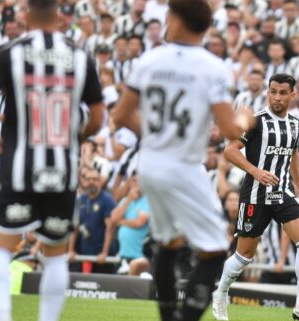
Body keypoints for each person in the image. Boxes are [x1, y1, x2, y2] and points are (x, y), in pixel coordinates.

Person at [110, 1, 249, 320]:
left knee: (168, 242)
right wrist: (244, 119)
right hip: (183, 166)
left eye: (169, 16)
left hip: (149, 164)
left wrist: (155, 137)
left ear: (178, 19)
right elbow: (229, 130)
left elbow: (120, 115)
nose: (165, 22)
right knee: (215, 249)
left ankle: (168, 314)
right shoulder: (213, 66)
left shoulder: (151, 58)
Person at [0, 1, 105, 321]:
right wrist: (74, 137)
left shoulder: (9, 53)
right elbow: (98, 119)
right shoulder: (80, 57)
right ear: (60, 17)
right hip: (61, 169)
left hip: (18, 168)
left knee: (0, 247)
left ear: (27, 15)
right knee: (55, 255)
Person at [212, 74, 299, 321]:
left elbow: (293, 153)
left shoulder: (294, 123)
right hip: (256, 195)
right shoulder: (256, 121)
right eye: (273, 92)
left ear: (293, 95)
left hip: (283, 193)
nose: (277, 97)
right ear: (268, 92)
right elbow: (229, 150)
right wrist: (255, 171)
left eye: (282, 92)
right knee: (244, 255)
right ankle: (221, 293)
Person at [71, 169, 116, 273]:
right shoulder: (81, 199)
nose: (91, 182)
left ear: (100, 181)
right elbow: (75, 227)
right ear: (83, 181)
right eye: (88, 179)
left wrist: (104, 253)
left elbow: (110, 228)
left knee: (103, 286)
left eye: (95, 179)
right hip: (85, 253)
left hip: (102, 256)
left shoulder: (107, 200)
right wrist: (71, 251)